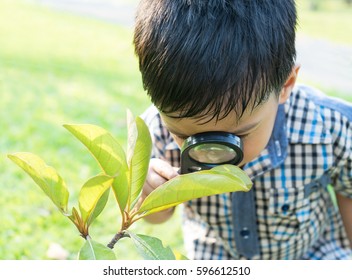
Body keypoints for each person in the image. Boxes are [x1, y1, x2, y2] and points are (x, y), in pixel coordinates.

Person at [133, 0, 352, 259]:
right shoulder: (155, 132)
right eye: (183, 136)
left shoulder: (329, 127)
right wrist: (148, 188)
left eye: (238, 136)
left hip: (311, 256)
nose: (212, 153)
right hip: (217, 257)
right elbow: (157, 218)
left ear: (285, 86)